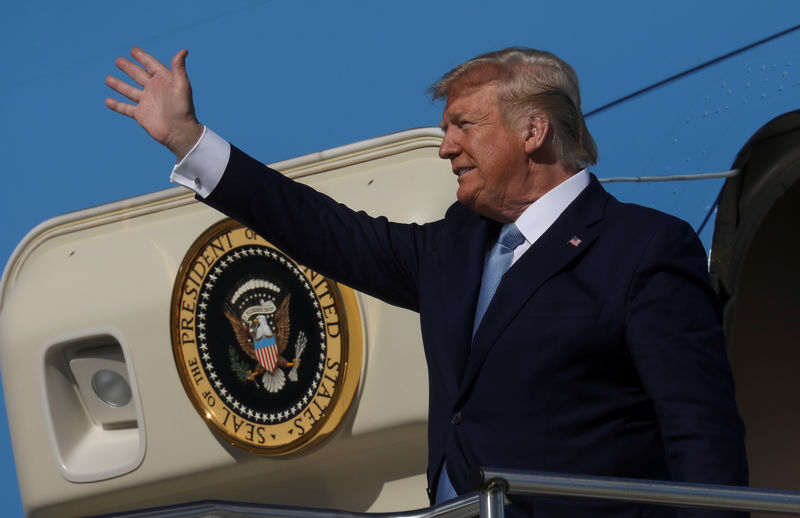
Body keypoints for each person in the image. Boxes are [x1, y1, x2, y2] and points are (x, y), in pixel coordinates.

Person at [106, 46, 748, 518]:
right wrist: (190, 141)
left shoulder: (643, 248)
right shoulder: (455, 246)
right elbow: (324, 229)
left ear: (533, 130)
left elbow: (703, 438)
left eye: (464, 125)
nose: (445, 148)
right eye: (446, 129)